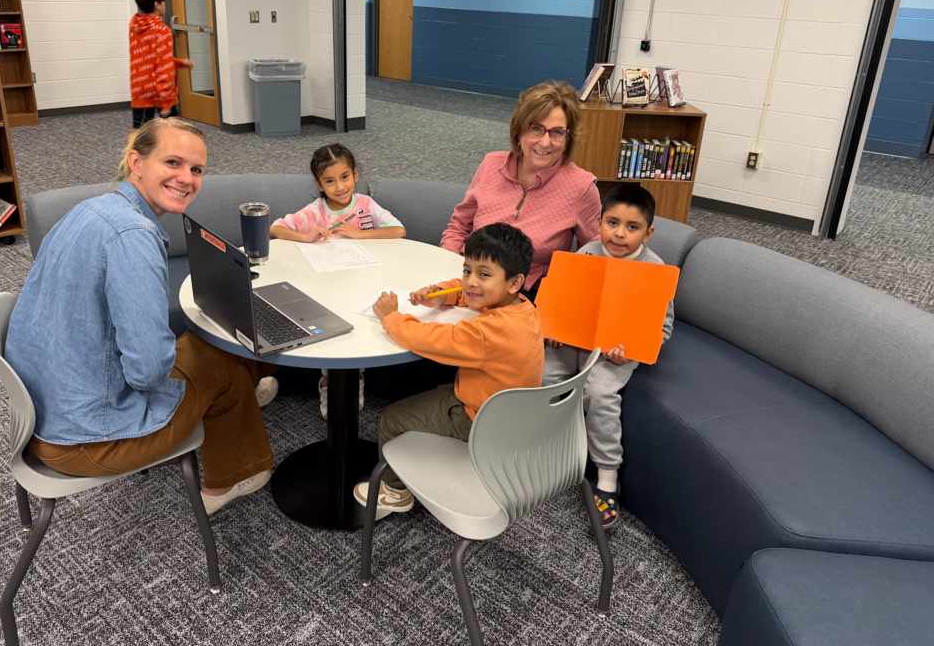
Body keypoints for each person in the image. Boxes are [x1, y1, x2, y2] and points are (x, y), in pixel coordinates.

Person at [4, 118, 277, 517]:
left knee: (200, 347)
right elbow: (148, 372)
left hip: (42, 416)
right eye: (173, 162)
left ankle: (239, 400)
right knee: (220, 352)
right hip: (89, 441)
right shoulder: (133, 235)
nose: (187, 178)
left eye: (196, 169)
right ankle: (232, 474)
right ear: (137, 162)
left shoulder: (89, 210)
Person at [354, 223, 544, 520]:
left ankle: (394, 492)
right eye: (468, 270)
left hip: (478, 421)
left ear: (515, 281)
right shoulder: (522, 307)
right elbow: (467, 290)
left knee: (391, 419)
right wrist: (443, 294)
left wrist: (391, 317)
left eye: (483, 274)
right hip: (509, 417)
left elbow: (431, 340)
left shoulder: (486, 332)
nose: (470, 282)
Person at [542, 184, 674, 530]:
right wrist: (552, 329)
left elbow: (663, 327)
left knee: (599, 394)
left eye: (632, 227)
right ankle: (546, 450)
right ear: (599, 222)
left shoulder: (655, 268)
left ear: (649, 232)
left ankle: (607, 476)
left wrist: (630, 350)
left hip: (616, 353)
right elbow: (560, 301)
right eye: (612, 223)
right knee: (543, 377)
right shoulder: (585, 252)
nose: (619, 234)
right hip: (571, 341)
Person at [271, 143, 406, 420]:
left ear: (355, 175)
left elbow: (398, 230)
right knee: (332, 327)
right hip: (328, 283)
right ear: (319, 185)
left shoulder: (366, 205)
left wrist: (359, 234)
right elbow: (276, 228)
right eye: (329, 181)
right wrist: (306, 236)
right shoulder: (315, 211)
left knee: (362, 325)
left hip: (364, 278)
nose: (340, 186)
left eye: (345, 177)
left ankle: (355, 377)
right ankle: (328, 380)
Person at [441, 80, 601, 297]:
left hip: (527, 296)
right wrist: (448, 274)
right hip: (469, 284)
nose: (545, 143)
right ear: (519, 131)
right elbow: (459, 226)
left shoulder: (582, 187)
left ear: (568, 137)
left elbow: (592, 254)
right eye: (536, 129)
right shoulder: (491, 164)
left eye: (556, 132)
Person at [129, 0, 194, 130]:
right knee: (173, 130)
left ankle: (133, 153)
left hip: (140, 89)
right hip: (159, 91)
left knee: (140, 133)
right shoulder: (161, 30)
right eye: (163, 2)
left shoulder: (134, 27)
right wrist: (166, 100)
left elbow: (151, 58)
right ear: (157, 5)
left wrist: (180, 62)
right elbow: (163, 65)